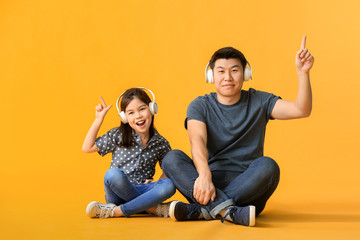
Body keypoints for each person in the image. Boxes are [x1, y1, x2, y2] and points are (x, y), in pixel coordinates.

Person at [162, 36, 314, 227]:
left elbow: (302, 110)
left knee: (268, 165)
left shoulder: (260, 100)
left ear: (245, 74)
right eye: (221, 71)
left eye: (234, 71)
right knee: (172, 158)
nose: (228, 77)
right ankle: (229, 212)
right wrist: (205, 175)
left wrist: (303, 73)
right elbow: (197, 141)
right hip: (208, 183)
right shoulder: (200, 105)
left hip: (249, 186)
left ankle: (204, 211)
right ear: (211, 76)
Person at [82, 87, 176, 218]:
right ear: (124, 117)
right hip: (117, 194)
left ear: (152, 108)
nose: (138, 116)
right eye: (131, 113)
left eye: (142, 109)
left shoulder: (161, 143)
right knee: (112, 174)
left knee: (169, 185)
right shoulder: (118, 135)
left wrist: (157, 183)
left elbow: (170, 168)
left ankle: (118, 211)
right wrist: (99, 119)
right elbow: (87, 147)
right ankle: (150, 208)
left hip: (144, 190)